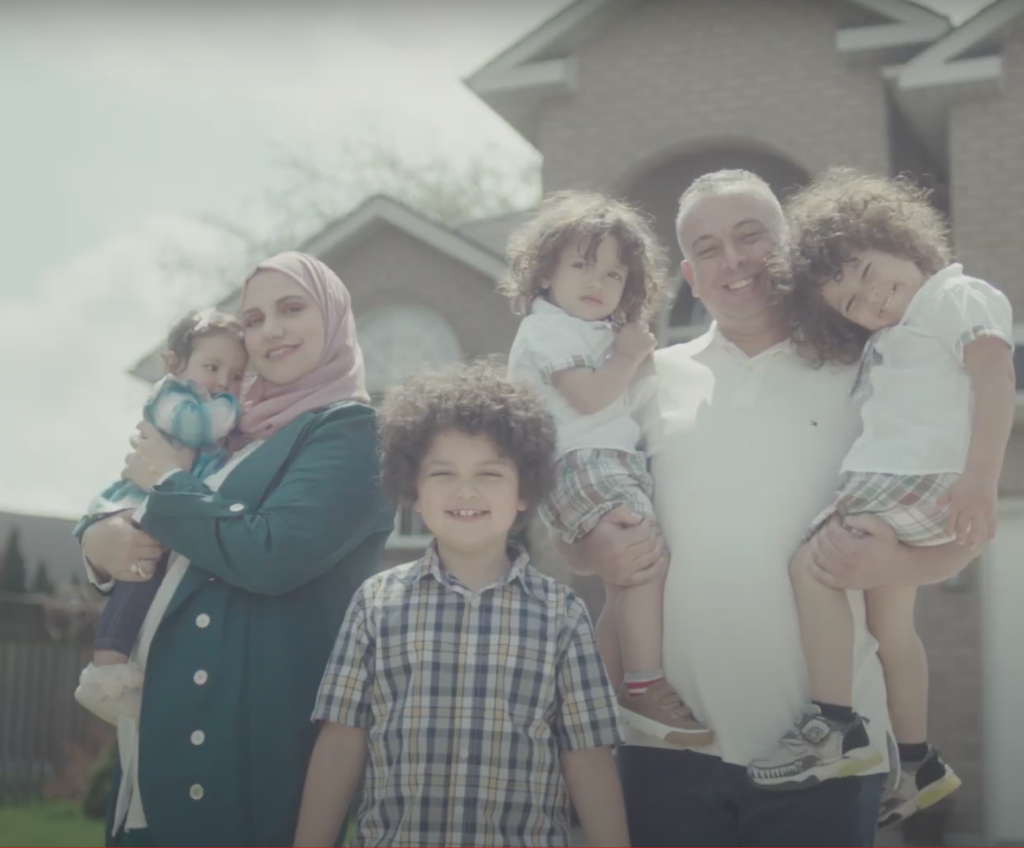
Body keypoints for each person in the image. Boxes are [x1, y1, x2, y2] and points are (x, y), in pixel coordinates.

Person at [560, 169, 983, 847]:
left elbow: (964, 531)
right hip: (668, 746)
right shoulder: (642, 379)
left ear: (790, 250)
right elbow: (576, 529)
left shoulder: (875, 368)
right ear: (690, 277)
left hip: (829, 755)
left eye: (750, 236)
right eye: (708, 248)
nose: (734, 260)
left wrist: (899, 562)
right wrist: (588, 550)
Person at [76, 252, 395, 847]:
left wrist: (167, 481)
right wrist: (98, 543)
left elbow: (272, 553)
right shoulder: (230, 432)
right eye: (253, 319)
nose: (271, 329)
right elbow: (154, 524)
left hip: (241, 740)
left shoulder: (353, 431)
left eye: (291, 308)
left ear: (332, 317)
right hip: (162, 726)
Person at [747, 168, 1014, 827]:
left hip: (913, 484)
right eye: (851, 302)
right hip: (909, 492)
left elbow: (995, 376)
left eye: (868, 271)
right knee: (890, 629)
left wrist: (982, 478)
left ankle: (834, 726)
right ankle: (919, 761)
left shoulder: (955, 295)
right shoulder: (896, 335)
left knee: (811, 567)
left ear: (902, 240)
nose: (870, 297)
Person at [293, 362, 629, 847]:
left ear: (523, 491)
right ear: (413, 490)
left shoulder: (563, 615)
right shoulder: (374, 603)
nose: (465, 491)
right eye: (443, 473)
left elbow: (588, 760)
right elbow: (341, 743)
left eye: (489, 473)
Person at [502, 190, 710, 748]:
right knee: (642, 563)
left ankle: (598, 696)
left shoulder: (590, 330)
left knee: (629, 580)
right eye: (581, 266)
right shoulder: (548, 327)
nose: (597, 282)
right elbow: (591, 397)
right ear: (545, 273)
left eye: (614, 274)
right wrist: (628, 356)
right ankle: (643, 684)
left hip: (607, 461)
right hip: (581, 460)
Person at [75, 308, 248, 722]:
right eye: (212, 367)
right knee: (139, 578)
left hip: (168, 509)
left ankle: (117, 665)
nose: (224, 382)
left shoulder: (207, 403)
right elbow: (194, 429)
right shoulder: (172, 398)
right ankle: (105, 670)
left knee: (148, 583)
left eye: (237, 375)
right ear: (174, 364)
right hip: (141, 503)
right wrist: (232, 407)